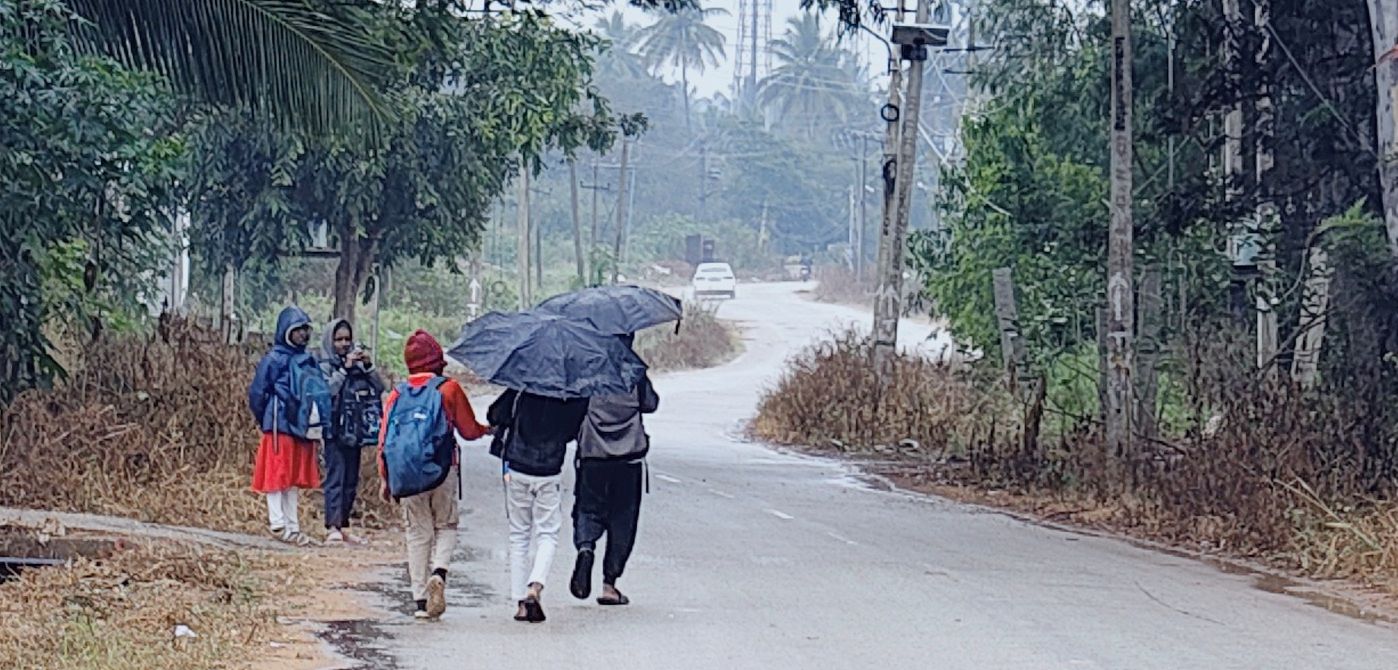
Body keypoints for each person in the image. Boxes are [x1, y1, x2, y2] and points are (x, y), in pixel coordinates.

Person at [378, 330, 489, 620]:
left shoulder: (397, 393)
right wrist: (488, 430)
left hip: (406, 474)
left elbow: (384, 439)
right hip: (442, 470)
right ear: (437, 358)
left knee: (417, 533)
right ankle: (439, 572)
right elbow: (469, 430)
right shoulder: (448, 389)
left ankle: (419, 601)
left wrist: (386, 478)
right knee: (446, 524)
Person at [569, 337, 658, 607]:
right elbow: (650, 404)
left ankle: (586, 547)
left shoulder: (588, 369)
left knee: (587, 509)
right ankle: (609, 585)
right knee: (623, 519)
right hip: (629, 460)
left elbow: (574, 407)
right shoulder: (635, 371)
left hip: (593, 456)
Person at [487, 389, 589, 623]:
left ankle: (520, 602)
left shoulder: (522, 386)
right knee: (548, 533)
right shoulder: (571, 394)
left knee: (519, 534)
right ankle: (535, 585)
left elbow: (494, 414)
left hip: (517, 467)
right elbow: (572, 432)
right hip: (549, 470)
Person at [248, 306, 327, 547]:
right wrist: (267, 419)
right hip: (279, 427)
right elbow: (257, 394)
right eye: (298, 329)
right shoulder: (273, 359)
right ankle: (278, 523)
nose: (303, 334)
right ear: (286, 331)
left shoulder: (307, 360)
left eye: (306, 329)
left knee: (292, 477)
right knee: (277, 474)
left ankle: (292, 526)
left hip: (299, 427)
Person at [318, 318, 385, 545]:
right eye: (339, 339)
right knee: (335, 478)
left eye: (347, 339)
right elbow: (327, 391)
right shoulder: (324, 365)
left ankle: (343, 524)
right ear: (330, 341)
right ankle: (332, 526)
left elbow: (379, 387)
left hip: (356, 429)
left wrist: (368, 366)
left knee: (350, 480)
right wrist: (344, 369)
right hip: (334, 430)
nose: (344, 344)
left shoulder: (357, 364)